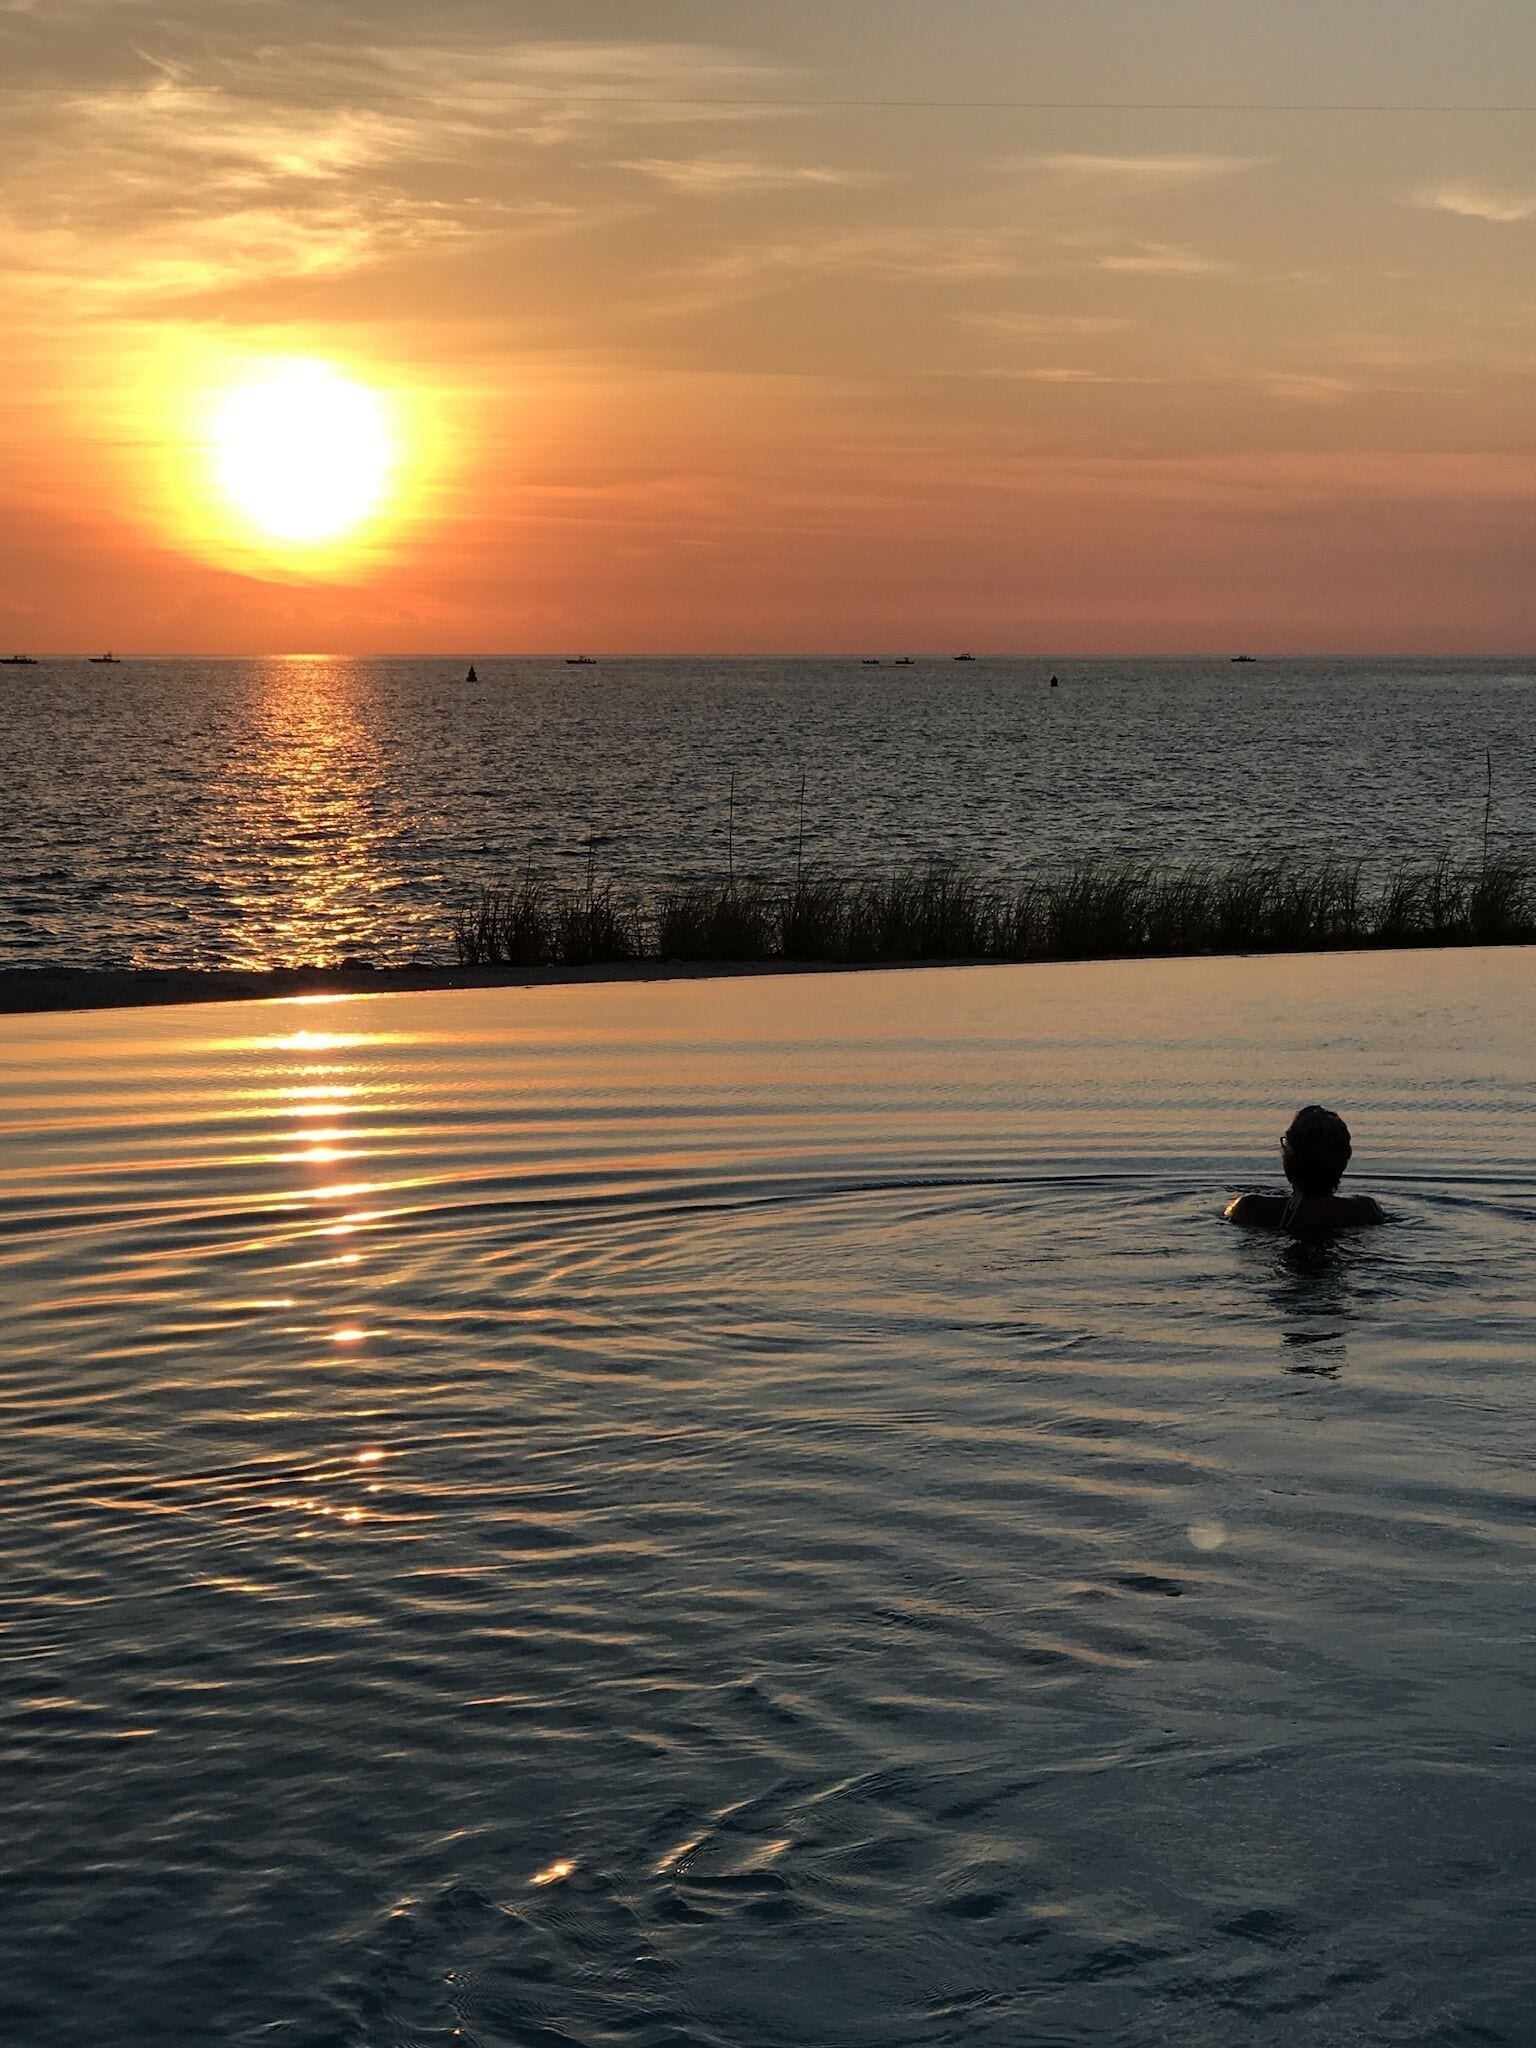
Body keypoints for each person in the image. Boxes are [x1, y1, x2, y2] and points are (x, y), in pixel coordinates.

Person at [1225, 1105, 1384, 1230]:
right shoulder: (1366, 1211)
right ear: (1344, 1159)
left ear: (1289, 1158)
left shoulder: (1250, 1209)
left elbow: (1229, 1214)